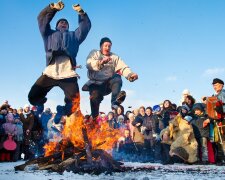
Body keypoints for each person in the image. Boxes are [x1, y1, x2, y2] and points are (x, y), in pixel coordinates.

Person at [28, 1, 91, 123]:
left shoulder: (74, 36)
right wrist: (53, 8)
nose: (63, 23)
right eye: (61, 22)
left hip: (67, 74)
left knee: (74, 104)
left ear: (68, 27)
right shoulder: (49, 34)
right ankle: (40, 104)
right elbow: (41, 19)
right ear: (56, 26)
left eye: (66, 23)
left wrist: (81, 13)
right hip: (51, 72)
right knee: (32, 97)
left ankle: (62, 111)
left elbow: (85, 28)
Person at [82, 37, 138, 120]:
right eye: (105, 46)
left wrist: (130, 74)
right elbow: (89, 64)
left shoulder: (114, 57)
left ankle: (114, 103)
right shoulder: (95, 53)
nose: (107, 48)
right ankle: (94, 116)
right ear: (101, 46)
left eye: (109, 46)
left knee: (117, 77)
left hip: (108, 84)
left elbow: (123, 67)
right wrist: (100, 62)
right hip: (95, 83)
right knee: (94, 96)